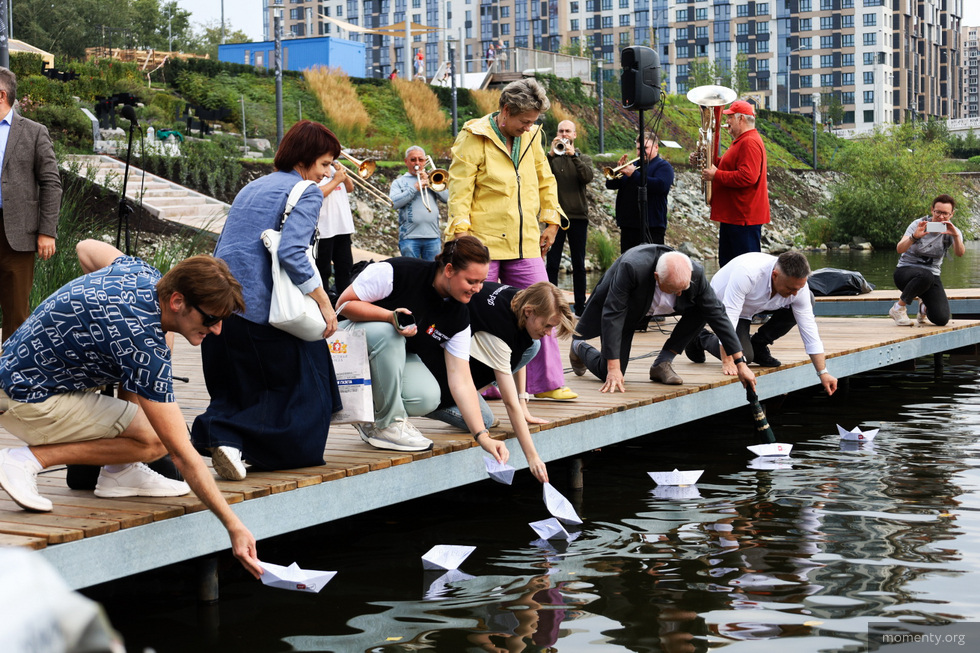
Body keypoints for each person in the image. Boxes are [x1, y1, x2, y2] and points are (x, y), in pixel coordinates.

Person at [0, 239, 262, 578]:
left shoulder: (140, 273)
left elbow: (85, 248)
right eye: (211, 318)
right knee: (156, 440)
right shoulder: (142, 344)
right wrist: (234, 525)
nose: (217, 329)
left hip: (16, 371)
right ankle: (24, 461)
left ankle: (119, 471)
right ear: (178, 301)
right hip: (28, 401)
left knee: (160, 344)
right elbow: (182, 454)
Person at [191, 120, 341, 481]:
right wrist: (322, 300)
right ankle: (227, 437)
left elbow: (223, 244)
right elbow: (291, 251)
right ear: (305, 160)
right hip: (260, 309)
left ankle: (229, 441)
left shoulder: (252, 187)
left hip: (223, 305)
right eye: (324, 164)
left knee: (241, 386)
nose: (326, 174)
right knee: (308, 388)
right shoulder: (307, 191)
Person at [447, 77, 576, 401]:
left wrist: (551, 221)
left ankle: (547, 382)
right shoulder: (473, 137)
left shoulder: (532, 136)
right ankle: (480, 384)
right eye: (525, 121)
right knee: (476, 314)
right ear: (505, 111)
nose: (529, 127)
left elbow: (545, 181)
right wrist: (462, 241)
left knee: (546, 306)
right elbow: (459, 192)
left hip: (524, 243)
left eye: (533, 122)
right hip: (482, 246)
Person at [336, 236, 508, 463]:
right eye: (471, 281)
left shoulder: (459, 315)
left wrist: (482, 437)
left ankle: (370, 419)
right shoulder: (398, 271)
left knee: (427, 398)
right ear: (449, 270)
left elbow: (461, 380)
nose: (477, 289)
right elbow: (343, 304)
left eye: (482, 281)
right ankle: (389, 424)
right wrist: (389, 317)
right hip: (346, 346)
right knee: (390, 333)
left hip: (391, 356)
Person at [429, 281, 576, 483]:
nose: (549, 333)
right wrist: (532, 457)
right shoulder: (499, 331)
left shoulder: (520, 297)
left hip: (461, 355)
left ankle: (475, 388)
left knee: (533, 345)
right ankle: (425, 405)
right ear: (529, 311)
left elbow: (519, 346)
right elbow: (509, 403)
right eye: (547, 325)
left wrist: (523, 403)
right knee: (485, 421)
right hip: (438, 374)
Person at [569, 246, 756, 394]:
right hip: (628, 311)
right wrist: (613, 367)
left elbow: (718, 315)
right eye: (675, 290)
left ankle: (663, 362)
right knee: (608, 373)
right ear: (657, 277)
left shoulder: (695, 273)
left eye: (684, 288)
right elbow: (613, 314)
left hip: (667, 306)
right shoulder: (631, 268)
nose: (681, 293)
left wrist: (740, 363)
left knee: (704, 307)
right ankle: (579, 346)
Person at [685, 251, 838, 397]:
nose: (795, 293)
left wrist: (823, 372)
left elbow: (810, 332)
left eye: (799, 288)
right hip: (724, 307)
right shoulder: (747, 274)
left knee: (808, 299)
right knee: (745, 357)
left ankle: (758, 344)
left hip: (757, 305)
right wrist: (728, 361)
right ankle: (700, 337)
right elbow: (729, 320)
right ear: (775, 275)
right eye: (791, 288)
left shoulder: (797, 289)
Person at [0, 66, 62, 342]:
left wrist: (47, 231)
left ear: (1, 95)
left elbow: (51, 183)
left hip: (17, 235)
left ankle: (10, 375)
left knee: (16, 312)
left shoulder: (34, 132)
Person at [694, 99, 769, 267]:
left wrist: (716, 175)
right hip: (736, 216)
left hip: (743, 218)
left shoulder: (749, 142)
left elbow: (748, 177)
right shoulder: (743, 141)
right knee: (730, 268)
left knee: (745, 270)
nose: (726, 122)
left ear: (741, 119)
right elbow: (728, 165)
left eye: (730, 118)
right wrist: (702, 159)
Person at [889, 194, 965, 327]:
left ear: (951, 214)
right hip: (905, 273)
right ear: (932, 210)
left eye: (945, 214)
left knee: (941, 319)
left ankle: (923, 307)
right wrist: (914, 237)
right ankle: (898, 308)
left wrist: (955, 236)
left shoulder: (953, 231)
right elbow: (899, 249)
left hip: (931, 276)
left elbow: (959, 253)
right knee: (925, 275)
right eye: (938, 212)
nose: (941, 217)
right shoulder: (918, 224)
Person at [545, 120, 594, 316]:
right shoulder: (551, 158)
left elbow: (587, 177)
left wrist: (573, 156)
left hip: (578, 216)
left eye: (568, 131)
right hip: (555, 217)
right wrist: (550, 154)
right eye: (561, 131)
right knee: (552, 264)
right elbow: (537, 175)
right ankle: (552, 305)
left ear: (574, 135)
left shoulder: (584, 158)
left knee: (579, 264)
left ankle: (581, 308)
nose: (564, 134)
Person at [606, 132, 674, 252]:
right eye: (639, 148)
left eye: (645, 148)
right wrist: (617, 171)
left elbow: (660, 186)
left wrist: (634, 175)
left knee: (650, 264)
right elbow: (610, 185)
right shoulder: (633, 166)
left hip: (651, 226)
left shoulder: (663, 166)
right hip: (629, 226)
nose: (641, 152)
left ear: (656, 147)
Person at [390, 145, 447, 260]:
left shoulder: (432, 179)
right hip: (409, 237)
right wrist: (414, 188)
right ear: (406, 162)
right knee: (411, 274)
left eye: (420, 159)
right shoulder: (399, 182)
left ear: (425, 161)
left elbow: (447, 199)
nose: (417, 163)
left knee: (432, 273)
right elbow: (394, 203)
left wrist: (431, 183)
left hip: (433, 237)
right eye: (413, 159)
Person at [315, 159, 355, 298]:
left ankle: (346, 304)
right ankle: (324, 305)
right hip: (324, 229)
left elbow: (350, 188)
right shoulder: (315, 169)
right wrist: (337, 180)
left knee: (345, 268)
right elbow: (318, 193)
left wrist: (344, 175)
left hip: (342, 227)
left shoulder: (334, 169)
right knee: (323, 270)